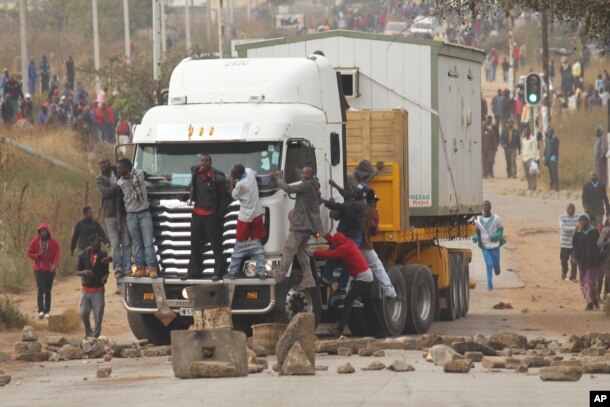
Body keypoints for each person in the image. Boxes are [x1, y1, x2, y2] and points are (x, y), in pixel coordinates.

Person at [314, 232, 388, 339]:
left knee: (348, 301)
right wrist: (322, 233)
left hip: (362, 278)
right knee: (370, 307)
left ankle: (339, 330)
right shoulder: (348, 243)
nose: (333, 245)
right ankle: (381, 332)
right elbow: (333, 241)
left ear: (338, 243)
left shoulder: (344, 249)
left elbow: (330, 254)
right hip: (367, 277)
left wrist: (313, 253)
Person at [271, 167, 322, 291]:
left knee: (289, 249)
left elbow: (289, 189)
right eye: (302, 172)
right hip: (308, 225)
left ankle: (279, 276)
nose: (303, 175)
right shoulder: (314, 186)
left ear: (311, 175)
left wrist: (277, 179)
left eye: (306, 173)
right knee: (302, 252)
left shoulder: (307, 185)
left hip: (300, 224)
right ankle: (309, 278)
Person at [117, 158, 166, 279]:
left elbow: (151, 178)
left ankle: (152, 268)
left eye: (120, 167)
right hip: (131, 216)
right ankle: (140, 267)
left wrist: (163, 177)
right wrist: (119, 222)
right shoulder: (119, 183)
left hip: (144, 214)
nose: (118, 170)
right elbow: (119, 204)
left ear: (127, 167)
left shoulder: (139, 173)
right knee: (137, 243)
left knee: (148, 242)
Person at [183, 154, 230, 281]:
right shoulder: (195, 173)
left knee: (216, 245)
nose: (202, 163)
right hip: (197, 214)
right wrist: (185, 196)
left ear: (210, 163)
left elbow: (225, 198)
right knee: (194, 244)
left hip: (211, 216)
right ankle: (193, 272)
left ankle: (218, 272)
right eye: (201, 160)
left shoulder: (218, 179)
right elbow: (191, 188)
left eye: (205, 161)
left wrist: (217, 214)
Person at [96, 158, 131, 294]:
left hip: (125, 212)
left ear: (110, 163)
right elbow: (106, 193)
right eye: (100, 163)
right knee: (116, 244)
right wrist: (120, 185)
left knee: (127, 242)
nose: (102, 165)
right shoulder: (99, 179)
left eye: (104, 162)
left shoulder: (118, 170)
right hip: (110, 214)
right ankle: (118, 274)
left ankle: (128, 270)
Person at [227, 164, 267, 279]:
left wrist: (231, 180)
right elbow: (255, 174)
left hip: (245, 216)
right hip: (257, 213)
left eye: (233, 173)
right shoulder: (249, 171)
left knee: (239, 243)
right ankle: (261, 271)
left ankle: (233, 271)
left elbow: (233, 195)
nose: (231, 174)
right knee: (257, 243)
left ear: (237, 175)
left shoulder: (240, 184)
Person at [361, 189, 397, 299]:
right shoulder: (372, 211)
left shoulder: (355, 207)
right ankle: (390, 292)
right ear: (371, 201)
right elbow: (374, 231)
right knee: (377, 267)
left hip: (352, 245)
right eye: (375, 200)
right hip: (365, 245)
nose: (376, 203)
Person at [76, 235, 110, 338]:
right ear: (91, 243)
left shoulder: (103, 254)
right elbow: (77, 271)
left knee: (98, 315)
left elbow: (106, 272)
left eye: (100, 243)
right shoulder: (82, 255)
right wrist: (84, 272)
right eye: (97, 243)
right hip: (86, 290)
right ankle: (89, 332)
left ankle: (95, 336)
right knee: (83, 313)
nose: (99, 245)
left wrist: (105, 278)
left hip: (98, 289)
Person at [27, 223, 60, 319]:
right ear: (39, 232)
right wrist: (37, 255)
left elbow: (57, 254)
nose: (43, 233)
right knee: (41, 289)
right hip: (39, 269)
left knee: (48, 290)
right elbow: (29, 253)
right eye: (41, 231)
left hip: (50, 270)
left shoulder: (54, 243)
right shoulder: (35, 242)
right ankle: (40, 310)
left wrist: (55, 264)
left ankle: (47, 311)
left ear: (48, 231)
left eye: (45, 231)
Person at [473, 200, 506, 291]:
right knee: (489, 264)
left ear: (491, 207)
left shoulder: (496, 219)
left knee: (496, 267)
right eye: (485, 205)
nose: (486, 207)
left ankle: (497, 268)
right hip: (485, 247)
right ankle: (490, 286)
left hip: (495, 246)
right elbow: (476, 231)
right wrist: (476, 237)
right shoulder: (478, 220)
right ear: (483, 208)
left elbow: (501, 230)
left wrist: (497, 235)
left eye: (488, 205)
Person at [572, 214, 601, 310]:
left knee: (593, 283)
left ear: (588, 221)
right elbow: (575, 248)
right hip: (583, 263)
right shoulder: (577, 234)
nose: (582, 222)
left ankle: (593, 301)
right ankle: (590, 301)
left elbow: (599, 246)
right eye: (581, 220)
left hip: (594, 262)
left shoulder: (594, 232)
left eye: (584, 220)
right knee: (584, 282)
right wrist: (575, 258)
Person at [559, 203, 580, 282]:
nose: (571, 210)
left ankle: (573, 277)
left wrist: (575, 229)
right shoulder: (562, 217)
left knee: (574, 261)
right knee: (563, 260)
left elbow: (580, 226)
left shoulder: (578, 217)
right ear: (566, 209)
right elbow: (563, 227)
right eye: (569, 208)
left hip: (575, 243)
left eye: (573, 208)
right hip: (564, 243)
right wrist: (574, 228)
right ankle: (564, 271)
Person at [596, 219, 610, 300]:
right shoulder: (605, 230)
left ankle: (606, 296)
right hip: (604, 258)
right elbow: (599, 244)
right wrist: (605, 238)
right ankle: (598, 296)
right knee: (601, 276)